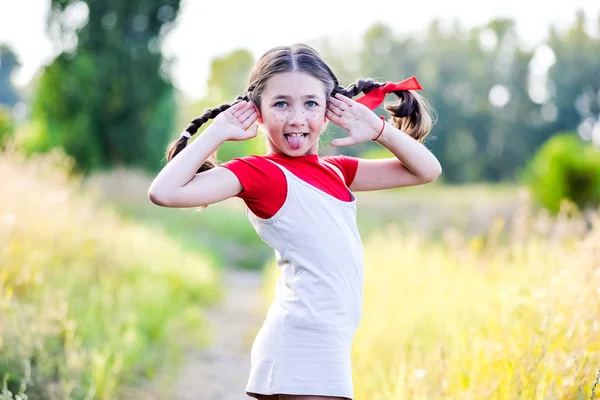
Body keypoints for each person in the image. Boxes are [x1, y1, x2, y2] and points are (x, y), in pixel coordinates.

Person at [148, 43, 442, 400]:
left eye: (311, 103)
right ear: (258, 111)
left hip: (322, 344)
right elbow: (164, 192)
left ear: (330, 109)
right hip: (302, 346)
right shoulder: (260, 172)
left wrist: (378, 128)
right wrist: (216, 133)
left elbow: (426, 170)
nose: (297, 118)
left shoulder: (337, 171)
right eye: (281, 103)